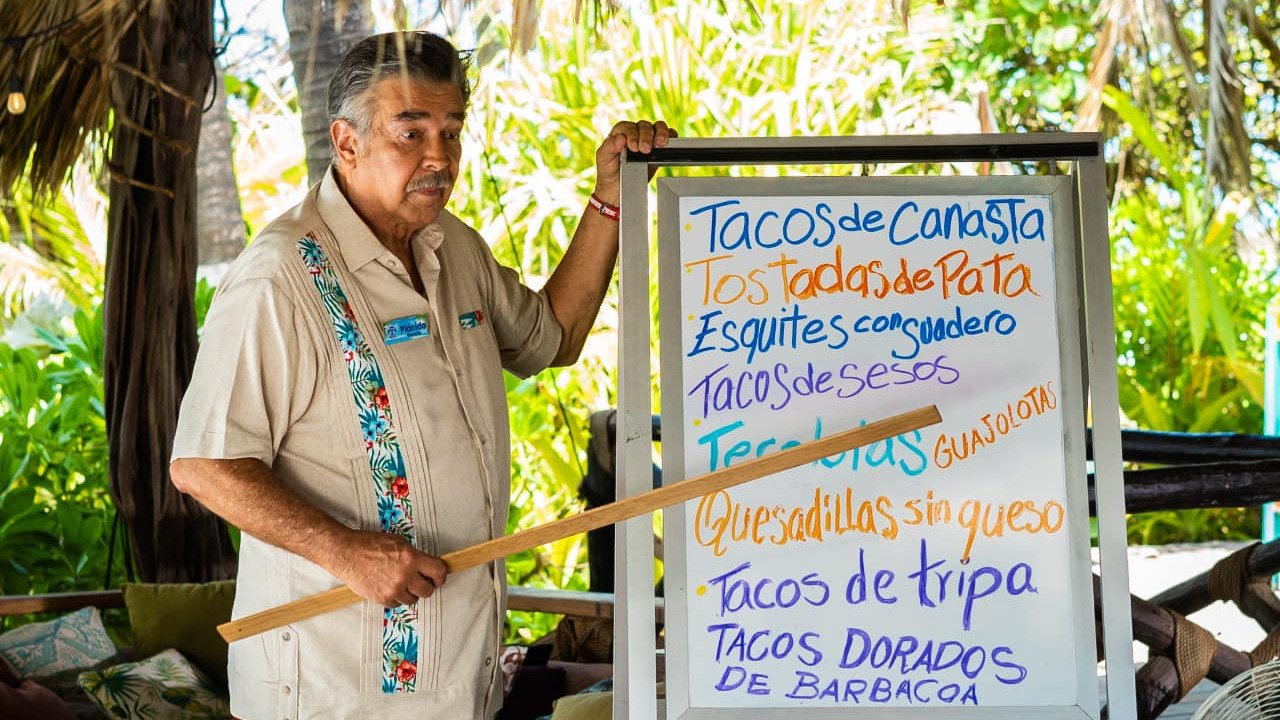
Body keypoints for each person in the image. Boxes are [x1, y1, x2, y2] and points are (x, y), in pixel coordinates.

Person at [169, 30, 674, 720]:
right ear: (346, 142)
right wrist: (345, 552)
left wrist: (608, 199)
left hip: (459, 682)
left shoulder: (451, 245)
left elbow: (551, 338)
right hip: (332, 693)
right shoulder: (281, 275)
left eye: (451, 132)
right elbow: (205, 464)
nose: (440, 156)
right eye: (411, 133)